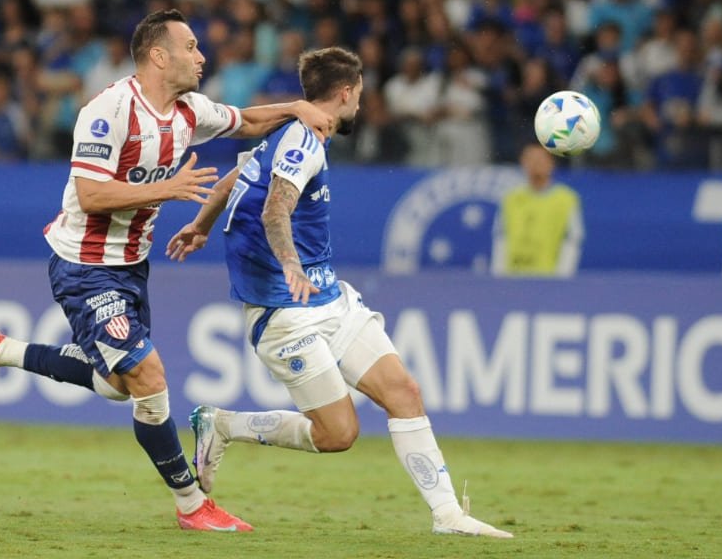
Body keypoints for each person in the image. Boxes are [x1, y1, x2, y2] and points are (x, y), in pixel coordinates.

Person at [0, 9, 331, 532]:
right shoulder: (108, 111)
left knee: (117, 384)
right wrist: (168, 187)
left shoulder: (188, 110)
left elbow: (244, 120)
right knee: (148, 376)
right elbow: (90, 195)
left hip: (131, 267)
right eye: (192, 47)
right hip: (85, 266)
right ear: (160, 55)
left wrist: (294, 108)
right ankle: (192, 504)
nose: (202, 57)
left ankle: (0, 349)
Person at [164, 46, 513, 539]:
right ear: (346, 93)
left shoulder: (287, 133)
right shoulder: (304, 140)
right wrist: (290, 265)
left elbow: (232, 180)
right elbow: (274, 210)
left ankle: (448, 516)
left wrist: (201, 225)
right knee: (338, 434)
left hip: (330, 299)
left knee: (404, 393)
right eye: (360, 95)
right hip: (282, 311)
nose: (360, 105)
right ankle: (222, 424)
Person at [491, 144, 584, 277]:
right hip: (513, 277)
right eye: (530, 159)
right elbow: (500, 238)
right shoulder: (510, 199)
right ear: (523, 163)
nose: (535, 164)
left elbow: (572, 239)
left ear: (551, 163)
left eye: (540, 159)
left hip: (548, 277)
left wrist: (562, 276)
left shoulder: (566, 199)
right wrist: (499, 274)